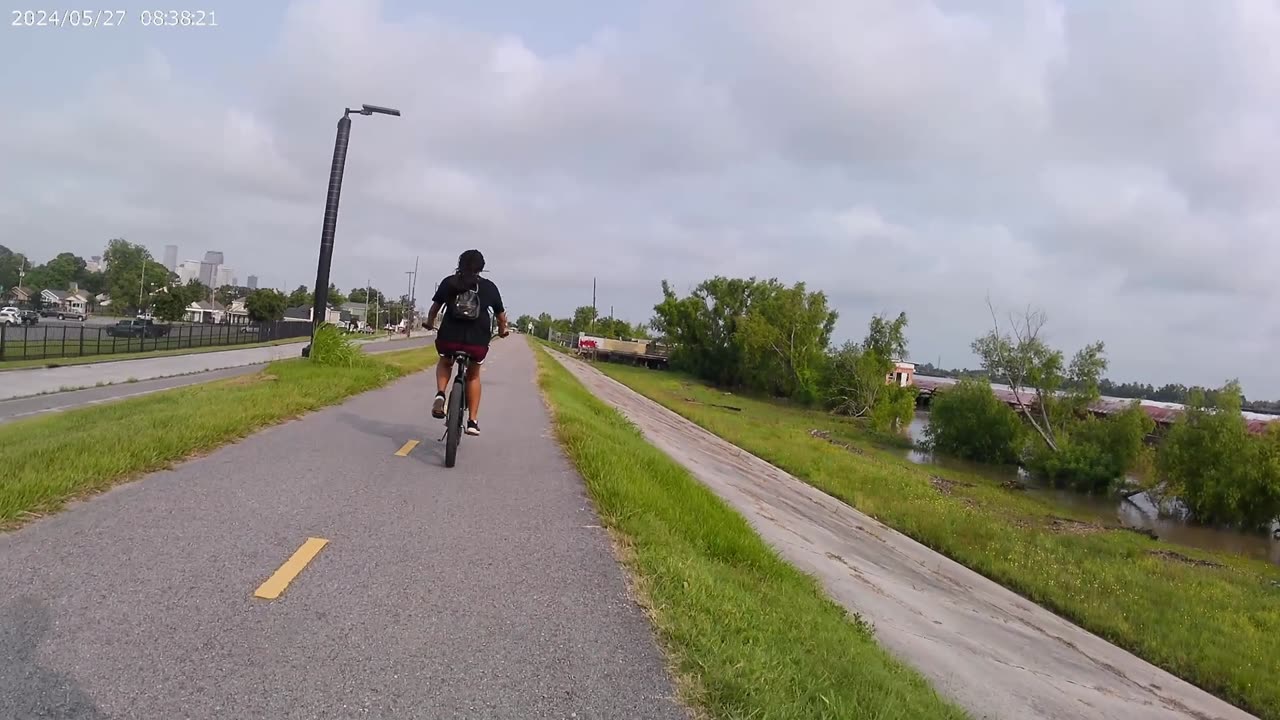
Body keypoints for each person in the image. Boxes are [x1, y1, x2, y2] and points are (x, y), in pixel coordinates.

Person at [424, 249, 509, 436]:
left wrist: (430, 324)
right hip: (476, 342)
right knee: (473, 376)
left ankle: (440, 394)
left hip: (449, 339)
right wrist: (502, 332)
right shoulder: (489, 287)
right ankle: (472, 421)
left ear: (459, 263)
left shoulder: (449, 283)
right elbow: (501, 318)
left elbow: (433, 310)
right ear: (482, 267)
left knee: (446, 361)